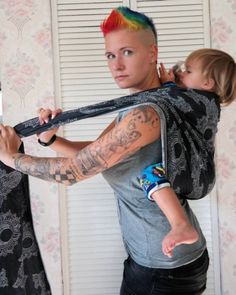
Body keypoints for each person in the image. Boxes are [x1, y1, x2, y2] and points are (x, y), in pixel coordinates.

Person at [0, 6, 235, 295]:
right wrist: (50, 140)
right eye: (111, 55)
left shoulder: (146, 115)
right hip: (154, 259)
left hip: (163, 269)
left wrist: (11, 157)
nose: (116, 65)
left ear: (152, 53)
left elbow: (73, 172)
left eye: (127, 52)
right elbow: (97, 155)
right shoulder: (139, 107)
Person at [139, 47, 236, 258]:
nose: (181, 72)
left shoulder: (204, 101)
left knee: (149, 175)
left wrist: (164, 84)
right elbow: (176, 100)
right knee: (156, 176)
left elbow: (167, 98)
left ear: (207, 84)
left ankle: (181, 224)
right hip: (199, 173)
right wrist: (169, 85)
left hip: (194, 173)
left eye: (188, 71)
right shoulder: (203, 101)